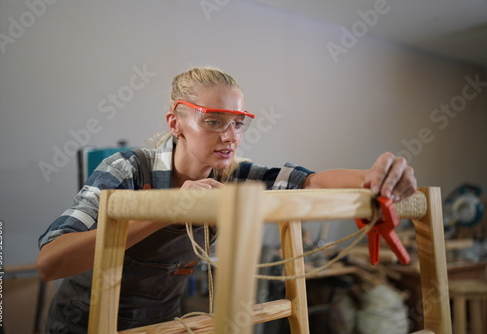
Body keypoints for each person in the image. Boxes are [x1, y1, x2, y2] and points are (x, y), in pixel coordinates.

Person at [36, 66, 417, 333]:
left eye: (238, 122)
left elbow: (311, 181)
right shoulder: (127, 170)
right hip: (85, 322)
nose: (230, 135)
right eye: (213, 121)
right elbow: (50, 261)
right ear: (175, 123)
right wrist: (166, 210)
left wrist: (376, 177)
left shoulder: (235, 174)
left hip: (164, 324)